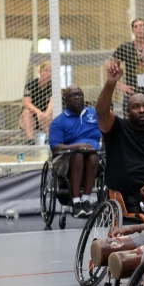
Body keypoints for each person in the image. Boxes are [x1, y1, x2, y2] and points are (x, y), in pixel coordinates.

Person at [96, 59, 144, 215]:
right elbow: (101, 112)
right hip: (121, 195)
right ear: (127, 111)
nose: (141, 110)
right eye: (136, 107)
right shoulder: (117, 127)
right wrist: (111, 82)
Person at [48, 85, 102, 217]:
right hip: (67, 159)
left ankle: (86, 199)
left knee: (93, 156)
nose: (77, 97)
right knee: (78, 155)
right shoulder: (58, 122)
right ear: (65, 99)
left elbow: (107, 133)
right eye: (73, 95)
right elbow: (55, 147)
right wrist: (75, 146)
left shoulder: (96, 115)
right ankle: (76, 202)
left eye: (79, 94)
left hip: (95, 157)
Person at [19, 61, 53, 144]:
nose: (48, 73)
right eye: (46, 70)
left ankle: (49, 138)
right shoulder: (30, 85)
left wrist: (45, 114)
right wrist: (38, 112)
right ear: (40, 71)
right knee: (26, 112)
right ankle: (30, 139)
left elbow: (52, 103)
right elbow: (26, 103)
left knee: (50, 113)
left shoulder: (53, 86)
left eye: (51, 71)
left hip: (44, 119)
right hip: (30, 120)